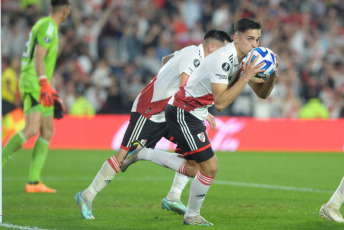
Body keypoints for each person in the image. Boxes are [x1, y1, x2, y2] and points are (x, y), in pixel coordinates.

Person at [121, 18, 279, 226]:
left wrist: (272, 75)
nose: (255, 45)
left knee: (194, 168)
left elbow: (262, 94)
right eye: (250, 39)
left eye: (258, 40)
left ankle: (141, 153)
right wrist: (245, 77)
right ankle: (192, 215)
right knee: (211, 168)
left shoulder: (243, 60)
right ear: (236, 38)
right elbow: (221, 103)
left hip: (194, 112)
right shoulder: (223, 58)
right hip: (183, 111)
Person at [75, 29, 232, 220]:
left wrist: (167, 70)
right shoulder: (194, 56)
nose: (225, 57)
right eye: (223, 50)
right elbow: (185, 88)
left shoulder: (193, 54)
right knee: (123, 155)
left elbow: (168, 58)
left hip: (170, 112)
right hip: (150, 110)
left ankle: (173, 196)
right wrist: (204, 112)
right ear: (212, 46)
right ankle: (86, 195)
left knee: (194, 158)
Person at [2, 0, 71, 193]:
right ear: (65, 11)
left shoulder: (46, 26)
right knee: (32, 129)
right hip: (34, 83)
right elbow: (39, 56)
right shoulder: (48, 26)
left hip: (42, 84)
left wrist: (48, 84)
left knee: (47, 131)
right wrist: (42, 82)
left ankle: (33, 182)